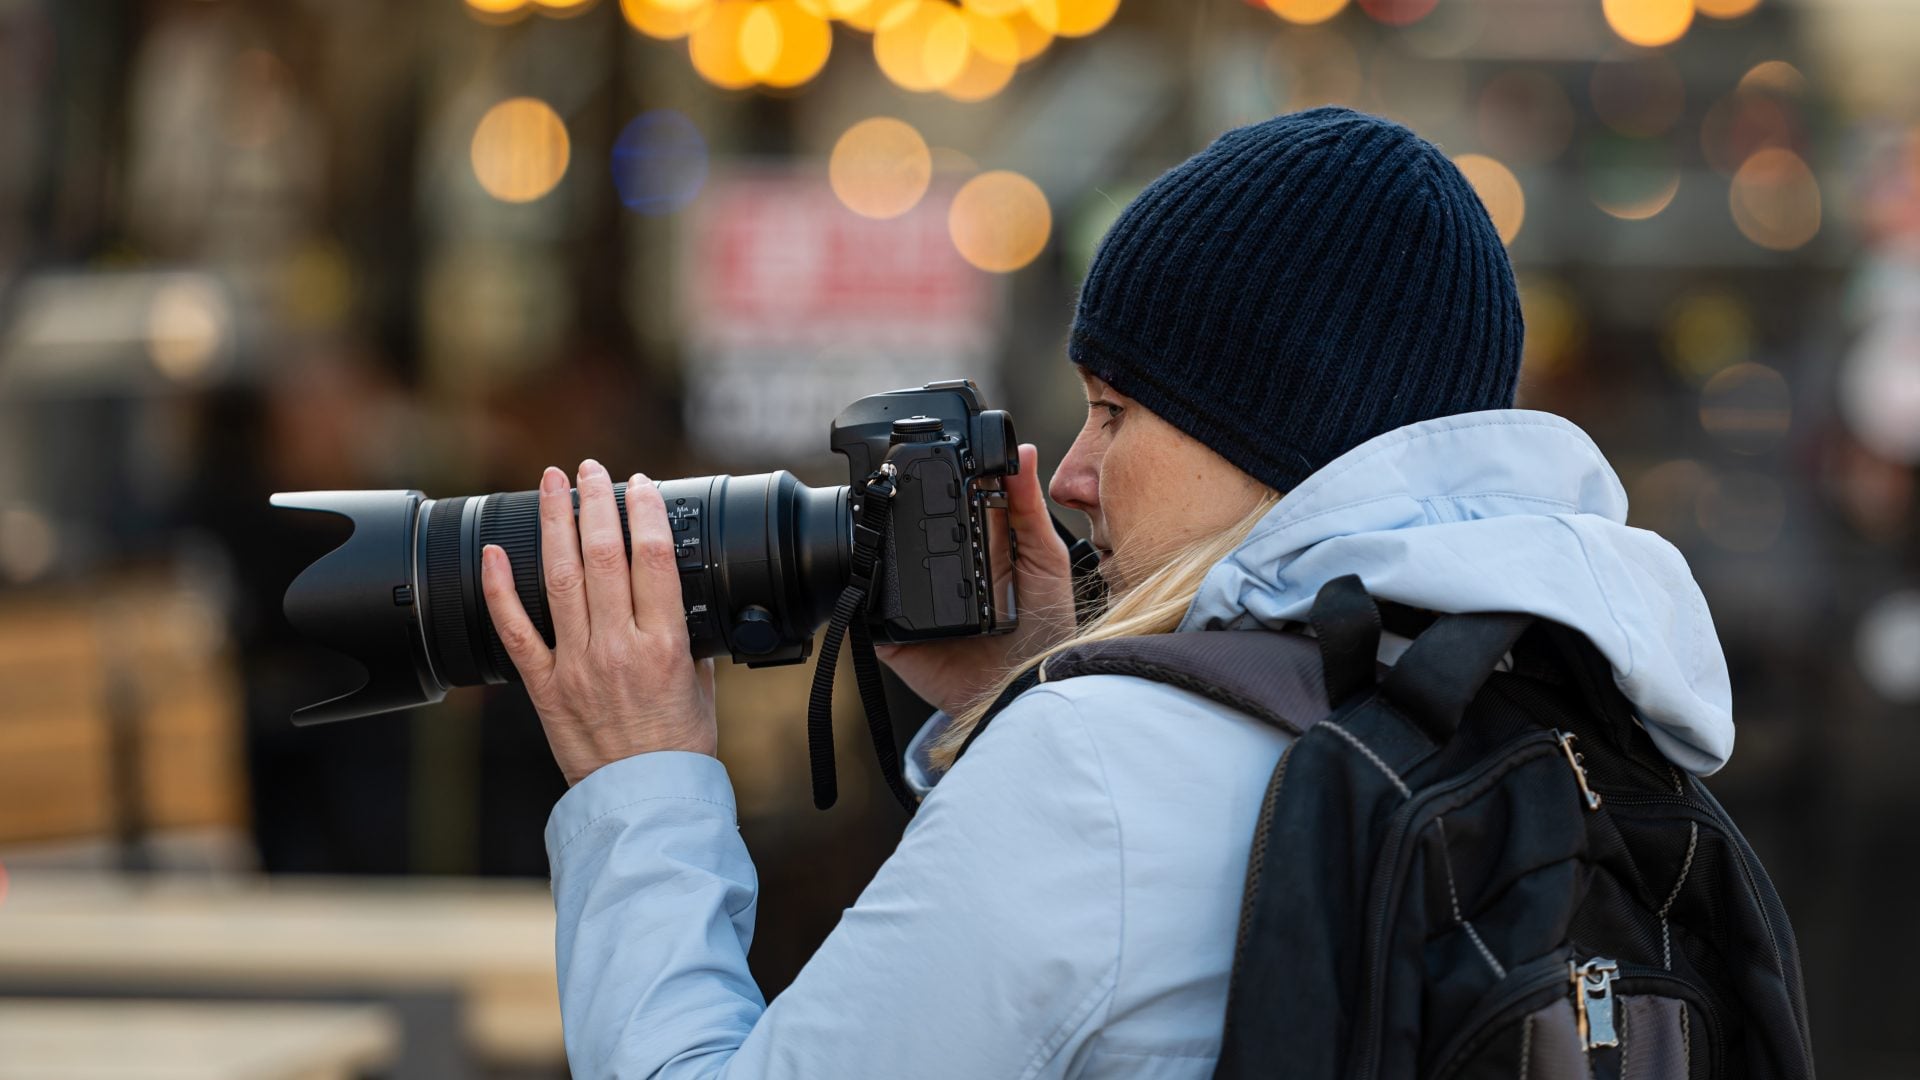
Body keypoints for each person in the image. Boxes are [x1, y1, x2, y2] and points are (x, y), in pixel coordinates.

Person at [480, 107, 1734, 1077]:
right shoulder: (1551, 693)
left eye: (1117, 412)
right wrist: (1021, 698)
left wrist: (639, 777)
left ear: (1269, 435)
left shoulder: (1100, 772)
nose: (1071, 473)